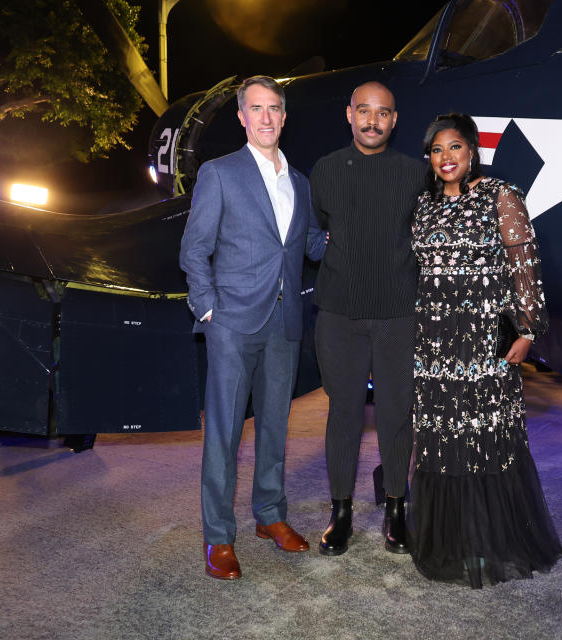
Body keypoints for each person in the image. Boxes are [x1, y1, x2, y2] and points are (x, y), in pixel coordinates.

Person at [179, 75, 327, 580]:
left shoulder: (301, 183)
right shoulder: (220, 174)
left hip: (284, 323)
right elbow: (194, 249)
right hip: (232, 324)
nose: (266, 117)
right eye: (256, 108)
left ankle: (270, 516)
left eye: (275, 108)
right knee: (223, 433)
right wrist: (208, 309)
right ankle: (218, 536)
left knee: (275, 428)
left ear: (285, 117)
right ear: (242, 117)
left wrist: (359, 229)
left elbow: (309, 246)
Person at [409, 113, 562, 588]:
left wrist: (528, 329)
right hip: (433, 343)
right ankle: (451, 542)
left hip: (483, 340)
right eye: (436, 150)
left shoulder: (501, 195)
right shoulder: (423, 205)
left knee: (485, 437)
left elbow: (525, 265)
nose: (446, 158)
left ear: (472, 150)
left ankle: (493, 542)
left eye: (454, 147)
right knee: (442, 439)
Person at [309, 81, 428, 556]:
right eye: (364, 111)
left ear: (394, 120)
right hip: (339, 315)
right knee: (343, 415)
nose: (373, 120)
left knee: (399, 416)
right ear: (349, 114)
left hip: (400, 315)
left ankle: (396, 509)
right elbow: (311, 234)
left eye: (383, 113)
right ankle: (341, 513)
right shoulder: (325, 170)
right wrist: (326, 248)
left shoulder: (415, 175)